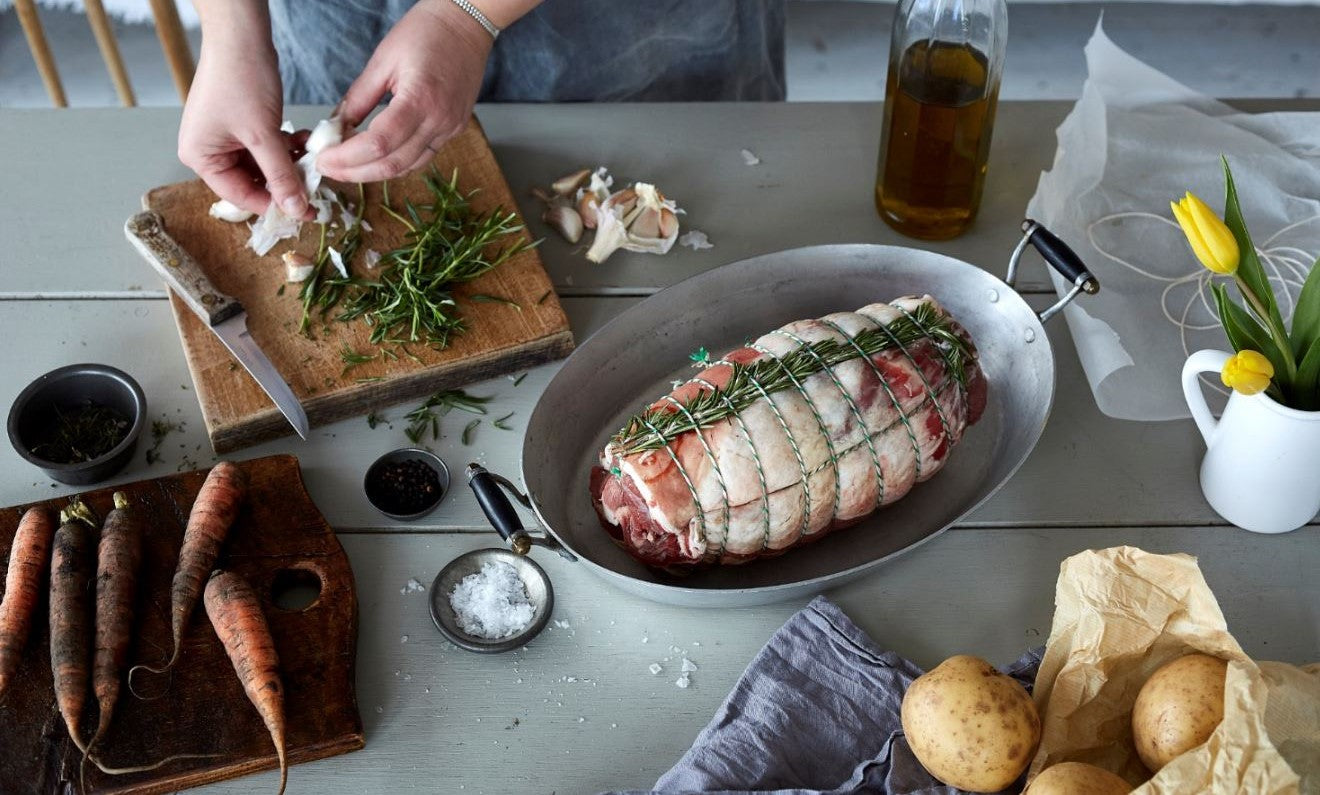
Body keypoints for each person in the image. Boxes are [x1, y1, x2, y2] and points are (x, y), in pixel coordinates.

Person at [179, 0, 785, 220]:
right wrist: (232, 28)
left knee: (661, 203)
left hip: (612, 31)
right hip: (341, 14)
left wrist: (468, 13)